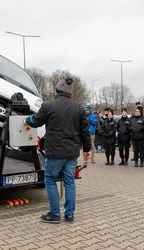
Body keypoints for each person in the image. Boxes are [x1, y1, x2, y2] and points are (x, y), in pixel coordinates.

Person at [26, 76, 91, 223]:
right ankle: (69, 215)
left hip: (55, 152)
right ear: (70, 92)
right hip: (72, 153)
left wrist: (26, 120)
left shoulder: (49, 106)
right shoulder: (79, 108)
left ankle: (54, 214)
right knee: (69, 182)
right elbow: (85, 132)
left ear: (56, 90)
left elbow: (36, 121)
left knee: (50, 180)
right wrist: (87, 149)